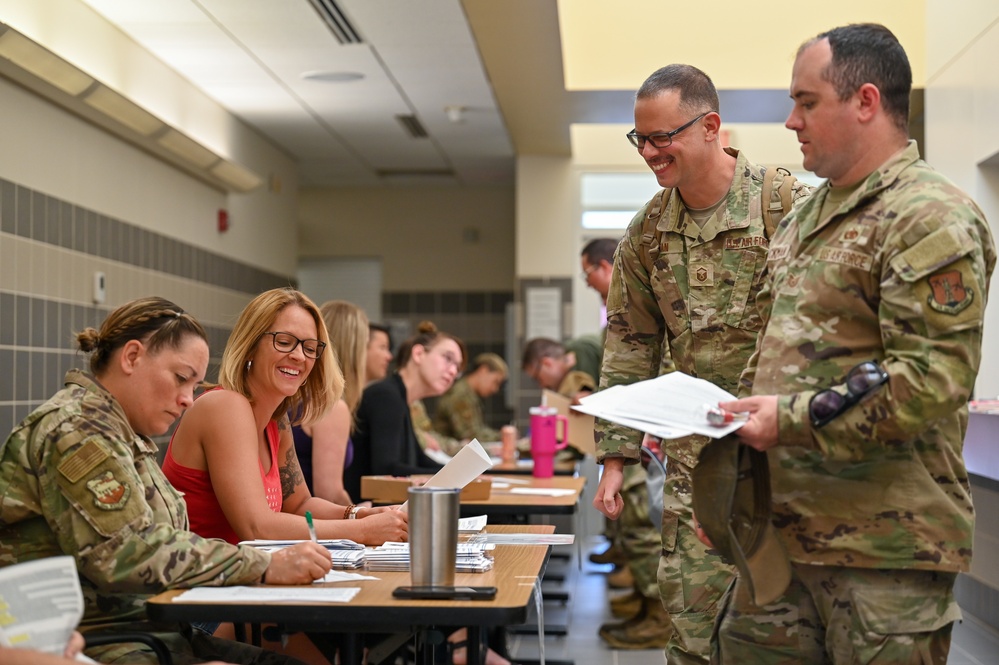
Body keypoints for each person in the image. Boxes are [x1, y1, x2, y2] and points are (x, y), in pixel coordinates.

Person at [712, 24, 995, 663]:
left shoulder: (928, 216)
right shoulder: (806, 218)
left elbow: (928, 380)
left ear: (865, 101)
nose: (790, 122)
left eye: (806, 102)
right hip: (776, 543)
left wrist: (784, 420)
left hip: (883, 556)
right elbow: (772, 357)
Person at [590, 63, 812, 660]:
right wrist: (615, 459)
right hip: (697, 465)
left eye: (663, 138)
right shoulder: (647, 234)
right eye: (640, 139)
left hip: (787, 464)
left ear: (710, 126)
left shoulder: (789, 206)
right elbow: (629, 345)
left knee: (785, 632)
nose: (650, 153)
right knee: (692, 627)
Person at [0, 297, 331, 665]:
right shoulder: (77, 430)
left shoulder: (121, 434)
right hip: (93, 641)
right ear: (131, 357)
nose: (189, 399)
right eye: (180, 378)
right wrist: (261, 565)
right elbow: (129, 552)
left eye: (194, 384)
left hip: (154, 628)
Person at [165, 288, 408, 547]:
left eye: (310, 347)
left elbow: (299, 504)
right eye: (284, 342)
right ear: (250, 347)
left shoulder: (276, 419)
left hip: (240, 579)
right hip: (196, 584)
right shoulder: (225, 406)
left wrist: (359, 513)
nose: (299, 356)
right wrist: (360, 530)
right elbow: (256, 527)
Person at [344, 321, 465, 503]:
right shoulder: (386, 396)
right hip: (365, 513)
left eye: (458, 367)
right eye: (448, 358)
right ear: (418, 354)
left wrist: (465, 473)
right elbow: (387, 469)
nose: (453, 371)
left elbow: (419, 460)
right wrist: (457, 475)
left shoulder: (399, 397)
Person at [291, 300, 369, 505]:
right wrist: (363, 516)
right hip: (307, 523)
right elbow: (328, 493)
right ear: (356, 351)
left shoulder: (293, 396)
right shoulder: (330, 407)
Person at [432, 352, 509, 443]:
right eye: (495, 381)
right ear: (483, 370)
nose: (495, 389)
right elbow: (471, 435)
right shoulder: (461, 395)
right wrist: (503, 437)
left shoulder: (468, 394)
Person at [521, 336, 600, 404]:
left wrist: (591, 395)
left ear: (547, 363)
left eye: (538, 378)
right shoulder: (571, 362)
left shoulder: (582, 353)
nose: (541, 385)